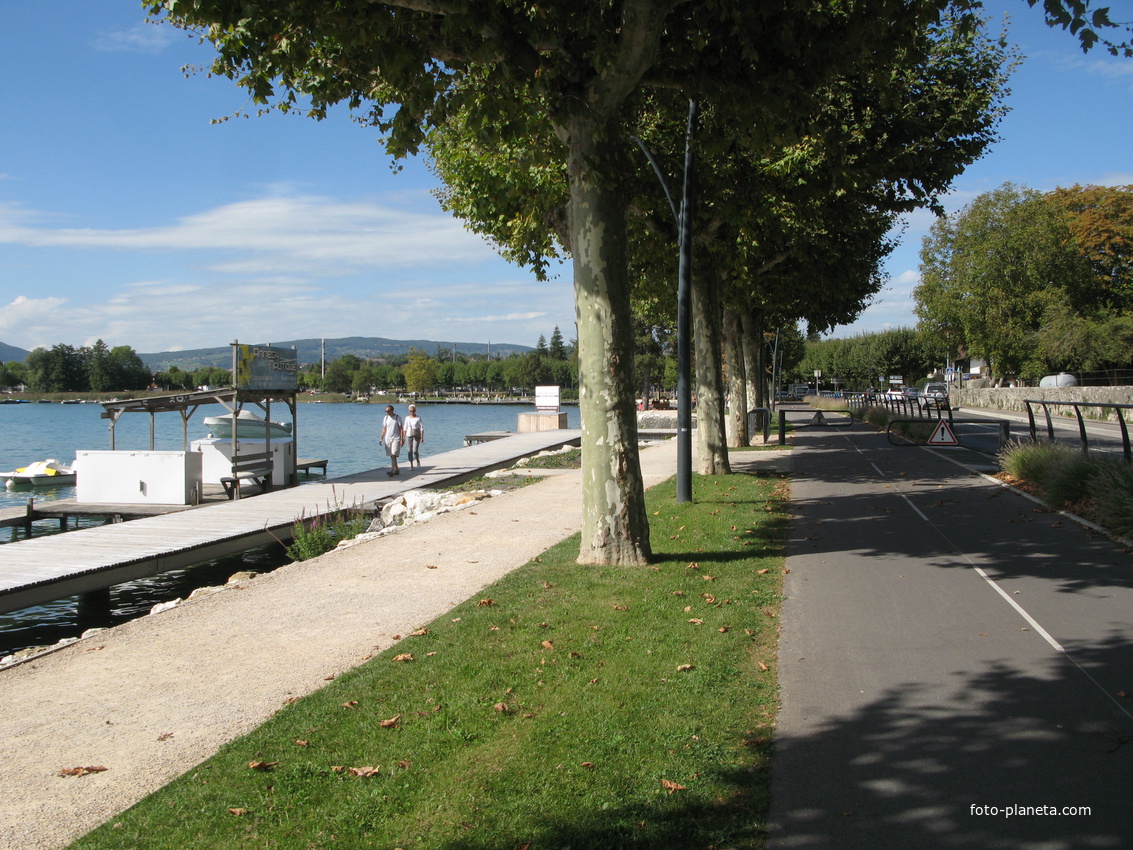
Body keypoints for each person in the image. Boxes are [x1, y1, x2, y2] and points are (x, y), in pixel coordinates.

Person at [380, 404, 405, 476]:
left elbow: (401, 429)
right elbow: (384, 429)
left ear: (392, 410)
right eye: (386, 411)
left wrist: (402, 439)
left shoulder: (397, 418)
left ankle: (392, 470)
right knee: (391, 455)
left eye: (388, 411)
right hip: (388, 438)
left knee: (394, 454)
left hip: (396, 438)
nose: (387, 412)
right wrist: (381, 438)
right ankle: (397, 469)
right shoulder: (386, 418)